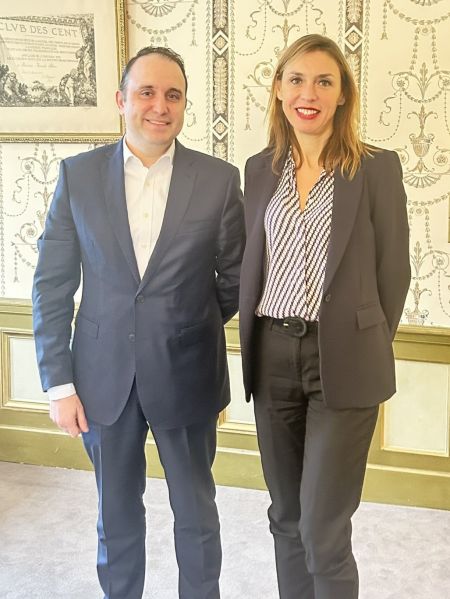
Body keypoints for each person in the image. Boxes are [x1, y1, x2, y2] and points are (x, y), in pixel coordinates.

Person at [32, 46, 245, 599]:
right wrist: (59, 384)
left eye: (173, 94)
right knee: (117, 516)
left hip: (188, 376)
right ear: (121, 100)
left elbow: (234, 279)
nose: (160, 106)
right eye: (146, 92)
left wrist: (182, 325)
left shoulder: (218, 180)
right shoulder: (77, 177)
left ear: (183, 105)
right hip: (103, 381)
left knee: (196, 515)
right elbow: (52, 286)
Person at [239, 34, 410, 599]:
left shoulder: (376, 169)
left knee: (322, 526)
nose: (307, 93)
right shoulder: (259, 170)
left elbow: (393, 273)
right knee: (285, 517)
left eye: (323, 81)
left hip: (343, 359)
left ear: (343, 96)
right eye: (296, 80)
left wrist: (365, 340)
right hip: (272, 355)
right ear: (278, 91)